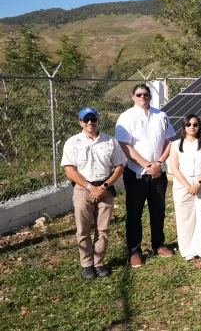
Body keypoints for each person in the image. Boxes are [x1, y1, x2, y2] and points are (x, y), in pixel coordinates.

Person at [115, 83, 176, 268]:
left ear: (150, 96)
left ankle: (159, 245)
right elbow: (125, 146)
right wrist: (146, 165)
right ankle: (135, 252)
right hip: (136, 174)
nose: (143, 97)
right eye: (139, 94)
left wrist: (159, 164)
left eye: (146, 94)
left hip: (159, 173)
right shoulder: (126, 117)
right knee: (134, 214)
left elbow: (169, 141)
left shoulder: (161, 115)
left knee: (158, 212)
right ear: (133, 97)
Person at [61, 107, 126, 280]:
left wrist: (104, 186)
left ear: (98, 120)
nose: (90, 122)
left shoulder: (110, 142)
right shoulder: (72, 142)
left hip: (105, 188)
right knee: (83, 229)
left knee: (103, 228)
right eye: (86, 120)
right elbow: (70, 170)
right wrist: (90, 187)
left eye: (93, 119)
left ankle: (99, 262)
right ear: (80, 122)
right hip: (83, 190)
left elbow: (119, 166)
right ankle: (86, 264)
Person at [169, 115, 201, 263]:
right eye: (188, 124)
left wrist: (199, 183)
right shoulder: (176, 145)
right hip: (183, 185)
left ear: (199, 126)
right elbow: (175, 168)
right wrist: (188, 186)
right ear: (184, 127)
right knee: (185, 218)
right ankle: (188, 249)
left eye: (195, 124)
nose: (192, 127)